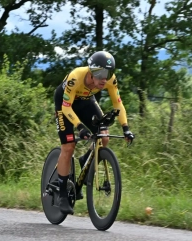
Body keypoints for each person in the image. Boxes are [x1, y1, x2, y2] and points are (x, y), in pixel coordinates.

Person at [54, 51, 135, 214]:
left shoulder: (110, 80)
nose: (105, 79)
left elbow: (118, 104)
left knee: (104, 137)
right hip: (65, 104)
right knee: (69, 146)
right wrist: (79, 127)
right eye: (101, 74)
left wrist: (126, 128)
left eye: (109, 73)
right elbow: (66, 107)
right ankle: (62, 193)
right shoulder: (76, 76)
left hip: (86, 101)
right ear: (91, 72)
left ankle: (85, 161)